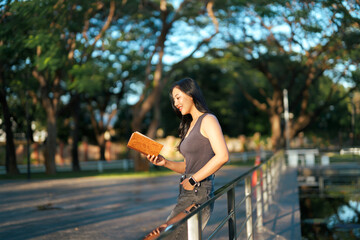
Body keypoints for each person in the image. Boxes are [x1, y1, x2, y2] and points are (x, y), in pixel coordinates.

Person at [144, 78, 229, 239]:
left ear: (191, 95)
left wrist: (193, 180)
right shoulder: (190, 125)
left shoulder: (208, 120)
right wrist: (165, 162)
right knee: (167, 235)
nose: (175, 103)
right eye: (173, 99)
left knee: (168, 236)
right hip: (187, 191)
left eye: (178, 97)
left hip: (198, 191)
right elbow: (188, 166)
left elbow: (223, 156)